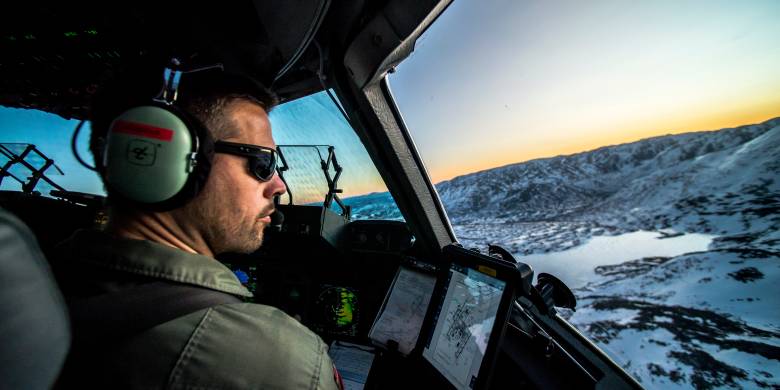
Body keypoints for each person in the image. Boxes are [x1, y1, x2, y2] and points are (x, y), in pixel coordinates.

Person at [52, 61, 343, 389]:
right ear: (172, 157)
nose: (277, 185)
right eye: (263, 162)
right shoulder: (282, 361)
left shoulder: (41, 274)